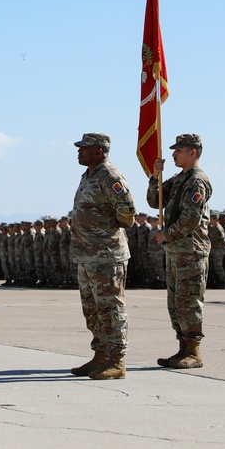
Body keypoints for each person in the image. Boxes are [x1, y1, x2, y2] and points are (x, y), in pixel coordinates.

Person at [69, 132, 136, 380]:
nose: (79, 151)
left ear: (98, 150)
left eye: (84, 148)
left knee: (110, 308)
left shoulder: (110, 175)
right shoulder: (89, 175)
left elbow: (128, 211)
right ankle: (100, 355)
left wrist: (105, 232)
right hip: (86, 255)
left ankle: (117, 360)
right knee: (93, 309)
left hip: (106, 255)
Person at [148, 133, 213, 370]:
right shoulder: (179, 179)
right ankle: (182, 349)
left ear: (192, 152)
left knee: (189, 302)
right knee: (175, 303)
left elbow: (191, 219)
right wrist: (155, 176)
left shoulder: (197, 181)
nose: (173, 154)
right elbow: (155, 201)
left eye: (179, 150)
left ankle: (194, 352)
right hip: (176, 251)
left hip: (190, 251)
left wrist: (167, 234)